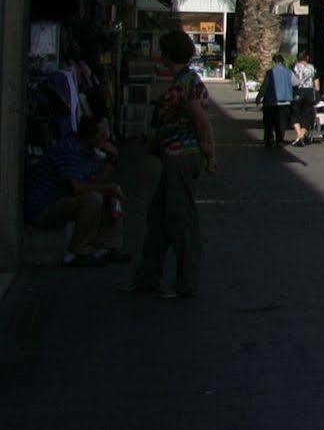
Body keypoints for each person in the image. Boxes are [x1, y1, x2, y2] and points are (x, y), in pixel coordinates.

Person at [125, 30, 216, 300]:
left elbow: (201, 122)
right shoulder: (183, 80)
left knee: (179, 219)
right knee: (159, 218)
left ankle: (185, 282)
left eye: (162, 52)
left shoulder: (186, 82)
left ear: (168, 54)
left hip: (182, 157)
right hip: (173, 156)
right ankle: (147, 278)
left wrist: (210, 156)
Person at [27, 113, 126, 266]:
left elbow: (94, 182)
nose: (106, 137)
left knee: (112, 193)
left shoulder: (89, 152)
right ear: (91, 136)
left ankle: (109, 246)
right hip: (45, 207)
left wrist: (112, 160)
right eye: (102, 134)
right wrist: (107, 188)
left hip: (64, 200)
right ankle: (79, 250)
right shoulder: (69, 149)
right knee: (93, 198)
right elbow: (77, 187)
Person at [260, 56, 294, 148]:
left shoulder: (270, 72)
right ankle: (280, 139)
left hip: (270, 102)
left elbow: (264, 86)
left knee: (268, 122)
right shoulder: (289, 72)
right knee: (281, 122)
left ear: (274, 62)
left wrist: (259, 97)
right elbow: (296, 82)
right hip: (285, 102)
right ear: (282, 62)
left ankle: (269, 139)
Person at [290, 53, 318, 145]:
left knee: (295, 114)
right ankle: (301, 136)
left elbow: (292, 80)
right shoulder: (312, 67)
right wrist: (316, 92)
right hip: (309, 92)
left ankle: (299, 136)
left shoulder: (295, 67)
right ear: (307, 57)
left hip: (298, 91)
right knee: (307, 115)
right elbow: (316, 81)